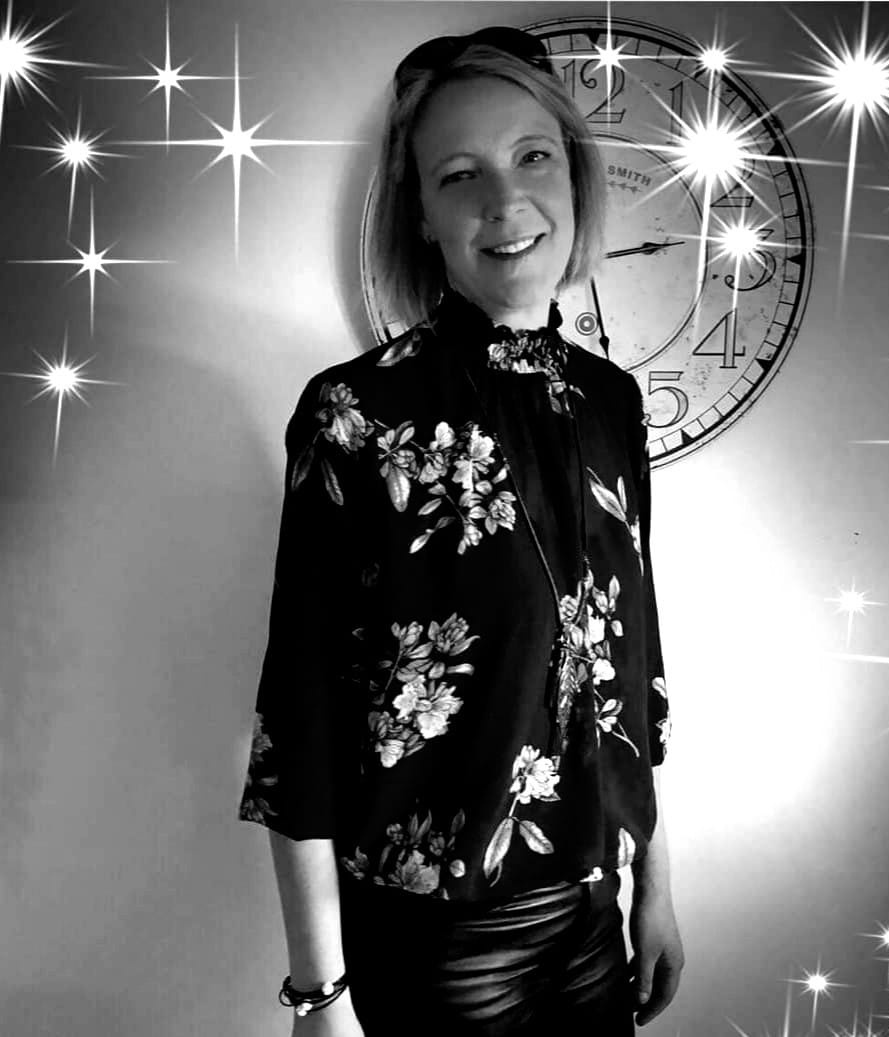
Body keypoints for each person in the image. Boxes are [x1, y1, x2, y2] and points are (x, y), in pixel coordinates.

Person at [238, 25, 683, 1036]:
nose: (505, 201)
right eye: (459, 174)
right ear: (423, 215)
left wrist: (654, 885)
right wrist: (319, 992)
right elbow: (299, 722)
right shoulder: (355, 415)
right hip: (434, 943)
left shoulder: (611, 402)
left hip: (592, 915)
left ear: (575, 175)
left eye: (533, 156)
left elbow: (633, 665)